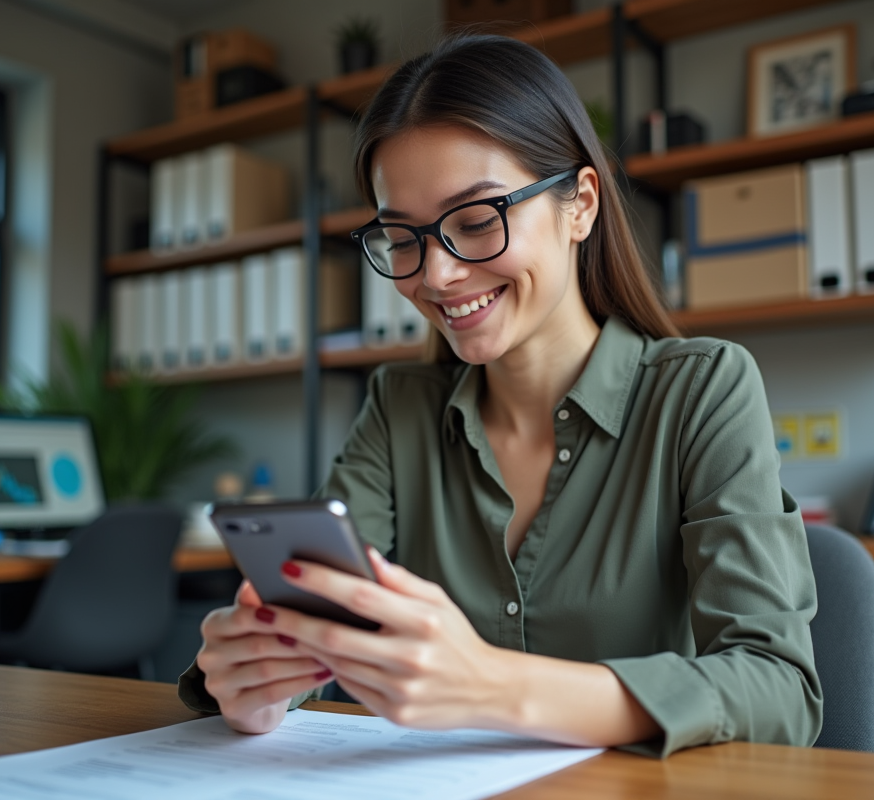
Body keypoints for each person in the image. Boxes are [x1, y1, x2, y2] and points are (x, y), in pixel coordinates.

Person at [181, 34, 822, 757]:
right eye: (403, 237)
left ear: (579, 205)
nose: (438, 274)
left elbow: (778, 690)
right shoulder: (400, 407)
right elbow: (317, 618)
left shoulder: (702, 389)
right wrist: (257, 687)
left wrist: (492, 685)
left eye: (478, 220)